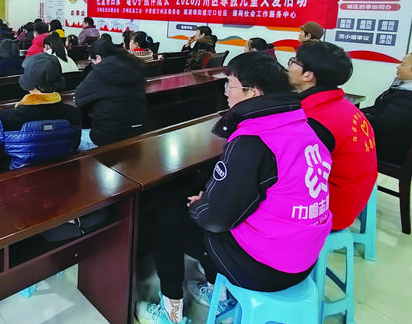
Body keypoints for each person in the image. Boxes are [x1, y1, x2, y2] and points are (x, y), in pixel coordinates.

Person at [136, 52, 333, 324]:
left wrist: (202, 205)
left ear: (254, 93)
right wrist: (211, 199)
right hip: (304, 255)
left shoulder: (254, 141)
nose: (226, 91)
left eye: (230, 84)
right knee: (205, 203)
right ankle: (218, 291)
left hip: (267, 267)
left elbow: (217, 220)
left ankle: (171, 312)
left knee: (168, 219)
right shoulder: (304, 126)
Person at [288, 41, 377, 230]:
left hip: (330, 210)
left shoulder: (316, 120)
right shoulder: (343, 107)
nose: (289, 65)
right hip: (352, 198)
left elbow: (288, 169)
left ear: (308, 75)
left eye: (294, 61)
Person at [0, 53, 82, 174]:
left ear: (29, 82)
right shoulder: (74, 114)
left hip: (16, 179)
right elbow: (74, 146)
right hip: (59, 175)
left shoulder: (6, 118)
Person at [74, 39, 147, 148]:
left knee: (69, 136)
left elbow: (79, 99)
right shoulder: (133, 66)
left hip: (108, 138)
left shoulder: (100, 71)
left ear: (98, 58)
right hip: (138, 133)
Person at [361, 53, 412, 165]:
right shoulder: (401, 88)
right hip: (387, 141)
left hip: (390, 149)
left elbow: (383, 124)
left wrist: (358, 118)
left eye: (403, 64)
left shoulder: (408, 98)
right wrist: (357, 113)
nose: (398, 67)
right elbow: (378, 108)